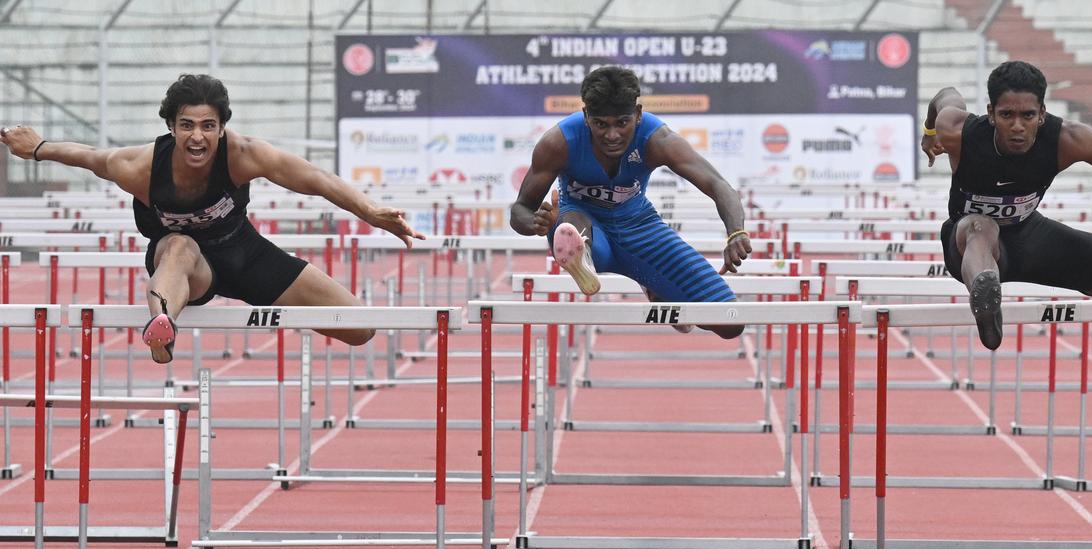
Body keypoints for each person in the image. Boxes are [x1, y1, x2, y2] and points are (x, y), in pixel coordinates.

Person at [0, 74, 424, 363]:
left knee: (361, 328)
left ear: (222, 128)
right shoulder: (140, 167)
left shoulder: (243, 155)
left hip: (245, 255)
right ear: (171, 127)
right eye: (186, 126)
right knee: (180, 244)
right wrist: (38, 147)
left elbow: (314, 178)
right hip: (184, 266)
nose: (197, 136)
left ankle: (288, 308)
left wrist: (369, 211)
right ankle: (161, 328)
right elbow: (89, 157)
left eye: (208, 125)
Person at [922, 60, 1092, 350]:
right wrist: (930, 132)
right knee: (981, 226)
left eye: (1028, 115)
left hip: (1030, 236)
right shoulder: (959, 131)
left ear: (1042, 115)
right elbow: (944, 95)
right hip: (969, 244)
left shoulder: (1069, 138)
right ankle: (985, 299)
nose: (1017, 126)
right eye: (1007, 115)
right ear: (991, 114)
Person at [509, 66, 752, 339]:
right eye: (601, 124)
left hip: (640, 228)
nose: (612, 135)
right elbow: (520, 209)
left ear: (638, 114)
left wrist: (736, 232)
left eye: (622, 123)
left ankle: (656, 287)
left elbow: (718, 185)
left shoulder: (657, 138)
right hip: (584, 227)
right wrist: (535, 223)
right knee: (571, 224)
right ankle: (581, 258)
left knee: (731, 323)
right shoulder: (559, 142)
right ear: (586, 116)